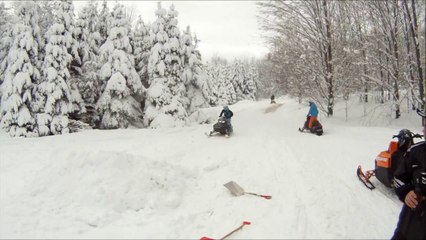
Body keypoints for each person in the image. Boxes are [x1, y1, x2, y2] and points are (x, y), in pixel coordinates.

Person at [391, 108, 426, 240]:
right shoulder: (415, 152)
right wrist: (406, 192)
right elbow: (399, 177)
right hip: (410, 223)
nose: (423, 130)